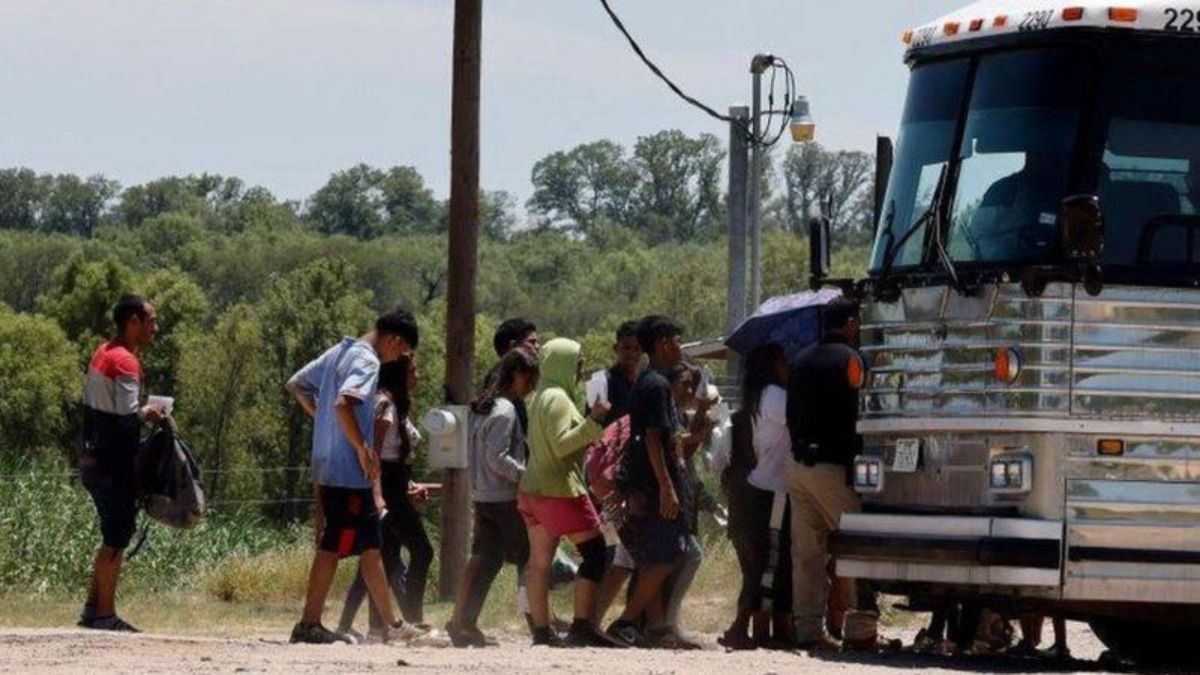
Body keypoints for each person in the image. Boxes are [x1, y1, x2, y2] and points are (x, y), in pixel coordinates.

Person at [284, 307, 427, 645]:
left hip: (331, 465)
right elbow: (343, 404)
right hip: (349, 469)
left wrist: (327, 426)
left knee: (370, 546)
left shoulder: (340, 350)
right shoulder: (367, 360)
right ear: (393, 339)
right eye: (402, 350)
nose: (399, 358)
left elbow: (296, 384)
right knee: (336, 545)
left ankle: (392, 626)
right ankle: (309, 624)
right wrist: (362, 447)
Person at [786, 298, 897, 653]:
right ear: (850, 324)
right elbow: (859, 414)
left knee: (806, 554)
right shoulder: (852, 361)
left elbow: (792, 414)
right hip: (834, 468)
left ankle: (808, 630)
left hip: (798, 465)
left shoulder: (800, 360)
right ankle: (861, 630)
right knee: (857, 549)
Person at [518, 337, 618, 647]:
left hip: (531, 490)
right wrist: (595, 421)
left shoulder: (539, 397)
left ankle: (541, 632)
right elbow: (563, 444)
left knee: (539, 563)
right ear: (562, 363)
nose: (581, 368)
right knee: (596, 552)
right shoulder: (559, 399)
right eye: (577, 361)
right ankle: (582, 625)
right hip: (558, 490)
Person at [77, 295, 164, 632]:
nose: (155, 328)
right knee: (116, 537)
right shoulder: (126, 362)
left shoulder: (102, 352)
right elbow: (129, 418)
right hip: (113, 462)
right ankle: (105, 615)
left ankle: (92, 608)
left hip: (92, 456)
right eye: (150, 321)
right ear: (133, 321)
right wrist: (151, 413)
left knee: (110, 534)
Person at [606, 316, 691, 648]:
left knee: (653, 558)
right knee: (664, 559)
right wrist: (667, 488)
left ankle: (655, 627)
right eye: (677, 340)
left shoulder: (651, 381)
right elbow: (652, 439)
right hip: (653, 488)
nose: (680, 347)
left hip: (651, 485)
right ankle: (625, 621)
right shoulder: (654, 384)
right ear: (661, 344)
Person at [446, 349, 540, 647]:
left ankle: (463, 622)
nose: (532, 387)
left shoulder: (485, 408)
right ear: (516, 375)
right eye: (530, 379)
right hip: (503, 498)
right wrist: (525, 476)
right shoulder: (506, 411)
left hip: (482, 496)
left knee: (485, 562)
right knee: (530, 561)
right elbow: (496, 457)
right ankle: (539, 624)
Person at [337, 356, 434, 641]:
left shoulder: (395, 404)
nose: (417, 375)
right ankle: (414, 618)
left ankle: (366, 626)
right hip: (386, 485)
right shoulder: (385, 404)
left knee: (382, 558)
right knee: (422, 551)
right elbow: (374, 454)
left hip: (395, 481)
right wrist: (379, 494)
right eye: (412, 371)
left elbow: (394, 456)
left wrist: (409, 484)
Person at [726, 344, 794, 649]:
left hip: (757, 487)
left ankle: (755, 626)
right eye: (783, 360)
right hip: (774, 490)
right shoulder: (778, 398)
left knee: (759, 564)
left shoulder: (756, 397)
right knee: (773, 563)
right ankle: (753, 627)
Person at [585, 320, 643, 426]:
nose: (632, 354)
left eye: (637, 349)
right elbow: (590, 426)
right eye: (626, 348)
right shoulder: (600, 382)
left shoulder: (644, 384)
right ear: (616, 348)